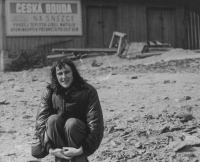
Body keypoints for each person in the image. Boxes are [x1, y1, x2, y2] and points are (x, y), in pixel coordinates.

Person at [33, 57, 104, 162]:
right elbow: (41, 123)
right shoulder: (50, 91)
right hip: (57, 141)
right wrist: (51, 149)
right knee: (53, 120)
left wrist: (81, 150)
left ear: (73, 73)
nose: (64, 77)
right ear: (55, 76)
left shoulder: (88, 91)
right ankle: (62, 159)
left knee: (72, 123)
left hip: (79, 138)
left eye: (67, 72)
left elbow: (96, 125)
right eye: (60, 73)